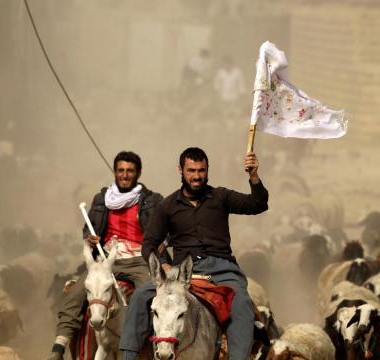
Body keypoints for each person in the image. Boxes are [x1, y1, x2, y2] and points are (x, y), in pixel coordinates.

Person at [119, 147, 268, 360]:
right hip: (182, 273)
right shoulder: (167, 206)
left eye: (201, 170)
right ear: (181, 170)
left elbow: (258, 204)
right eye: (191, 170)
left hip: (222, 270)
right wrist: (164, 265)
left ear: (207, 170)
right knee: (140, 296)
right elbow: (149, 243)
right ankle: (129, 357)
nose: (196, 176)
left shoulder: (221, 197)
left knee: (242, 302)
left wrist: (253, 176)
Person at [45, 151, 164, 360]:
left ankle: (156, 348)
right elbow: (88, 229)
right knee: (76, 294)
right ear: (115, 172)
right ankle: (59, 347)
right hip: (106, 259)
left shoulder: (153, 201)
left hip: (139, 259)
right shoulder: (101, 200)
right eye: (121, 171)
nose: (125, 175)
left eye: (130, 171)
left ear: (138, 173)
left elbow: (165, 229)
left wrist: (162, 242)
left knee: (155, 296)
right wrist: (89, 238)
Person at [214, 55, 246, 120]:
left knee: (235, 110)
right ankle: (226, 123)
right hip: (224, 95)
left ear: (231, 63)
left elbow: (241, 83)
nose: (226, 66)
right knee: (225, 111)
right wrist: (217, 91)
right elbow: (216, 83)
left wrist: (242, 93)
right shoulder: (220, 72)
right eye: (224, 64)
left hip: (235, 95)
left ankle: (236, 122)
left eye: (228, 64)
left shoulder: (237, 72)